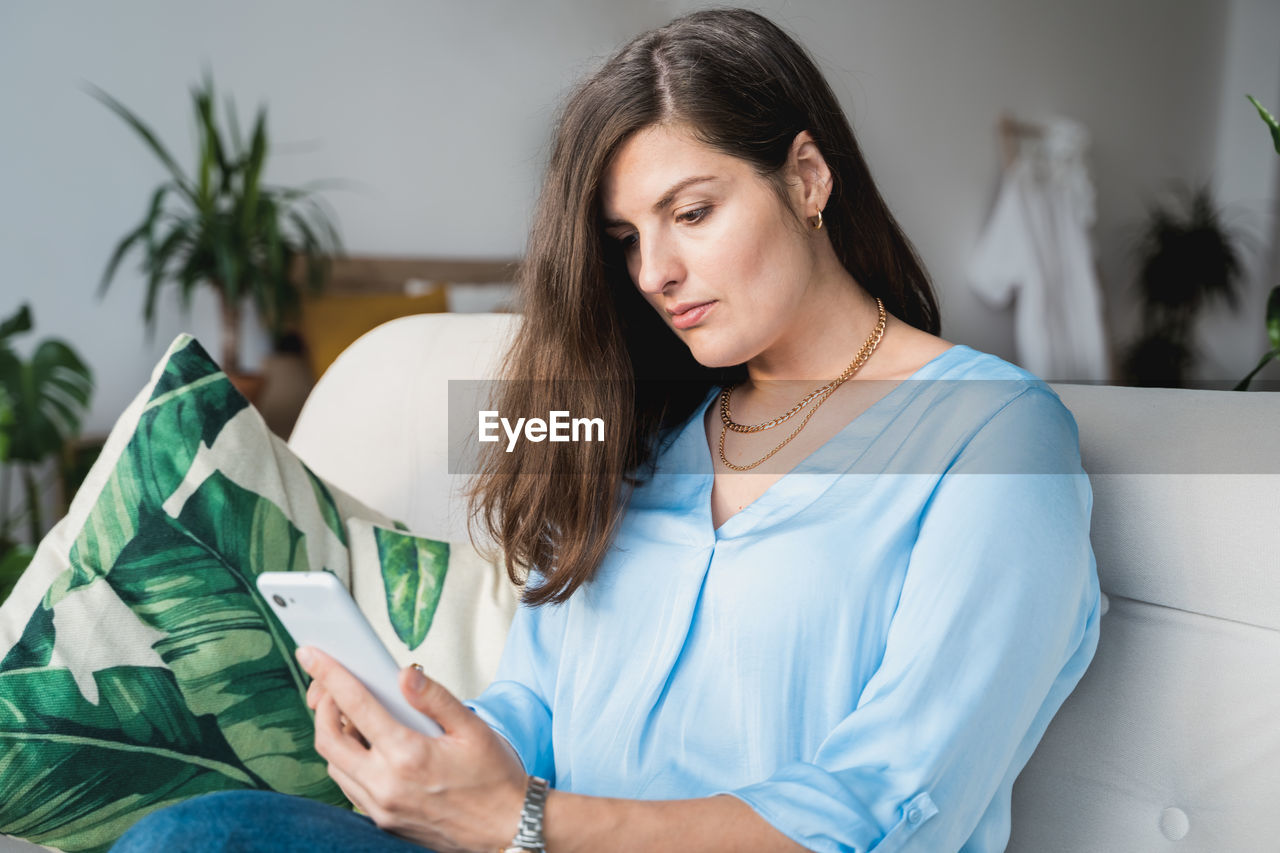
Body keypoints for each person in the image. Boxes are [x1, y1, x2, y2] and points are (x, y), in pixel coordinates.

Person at [111, 8, 1100, 853]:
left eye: (693, 212)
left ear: (805, 179)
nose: (653, 273)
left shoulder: (995, 439)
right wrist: (439, 750)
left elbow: (888, 801)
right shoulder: (637, 428)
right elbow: (535, 712)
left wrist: (526, 817)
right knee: (192, 833)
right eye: (626, 238)